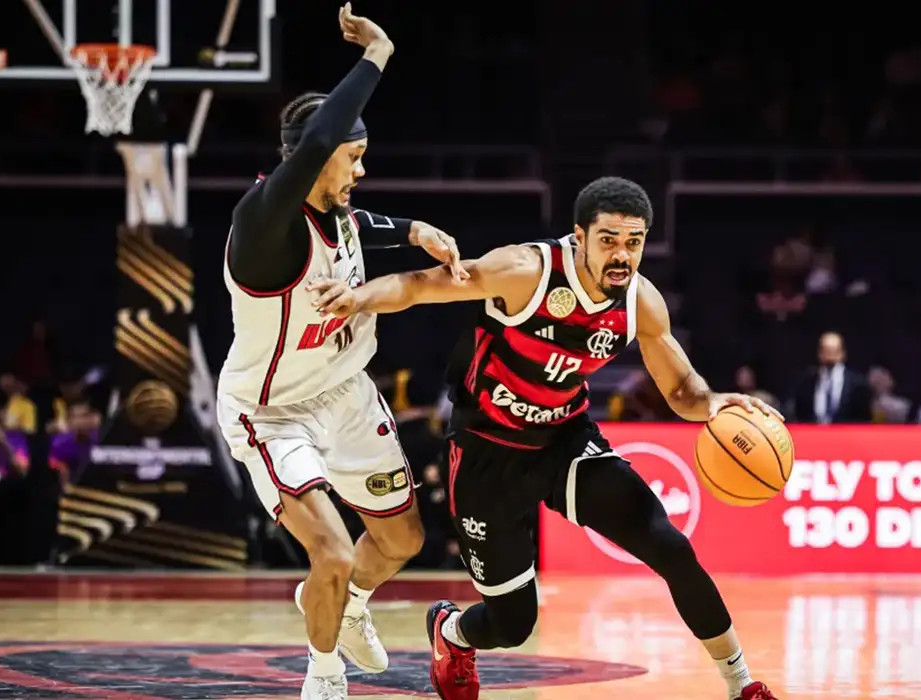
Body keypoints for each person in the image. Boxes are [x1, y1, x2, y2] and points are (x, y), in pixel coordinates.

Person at [309, 176, 780, 700]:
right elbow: (421, 285)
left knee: (670, 547)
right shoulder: (525, 270)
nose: (622, 255)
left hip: (564, 441)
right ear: (579, 236)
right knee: (513, 624)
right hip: (488, 450)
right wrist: (358, 298)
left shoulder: (641, 302)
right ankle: (451, 632)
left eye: (634, 242)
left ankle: (741, 684)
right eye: (608, 240)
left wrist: (713, 403)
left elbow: (682, 389)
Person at [215, 7, 467, 699]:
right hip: (272, 413)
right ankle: (325, 675)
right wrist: (380, 50)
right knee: (328, 549)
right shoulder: (262, 223)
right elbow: (324, 135)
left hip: (346, 395)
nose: (362, 166)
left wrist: (417, 230)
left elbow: (362, 228)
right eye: (351, 156)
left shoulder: (337, 213)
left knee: (403, 541)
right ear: (313, 155)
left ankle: (345, 602)